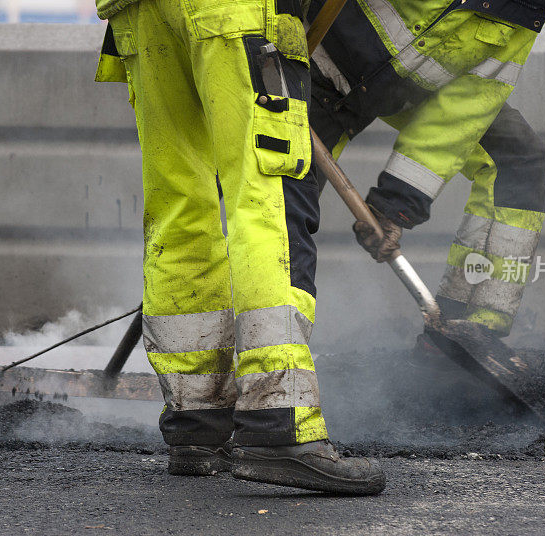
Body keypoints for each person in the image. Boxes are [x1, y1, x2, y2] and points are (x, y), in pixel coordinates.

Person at [93, 0, 384, 495]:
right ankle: (279, 422)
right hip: (234, 14)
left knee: (181, 208)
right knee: (266, 201)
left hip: (141, 14)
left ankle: (199, 425)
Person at [308, 0, 545, 342]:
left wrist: (394, 206)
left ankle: (466, 332)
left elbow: (462, 113)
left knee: (519, 157)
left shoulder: (528, 6)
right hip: (314, 61)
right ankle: (266, 366)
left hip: (404, 88)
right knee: (284, 211)